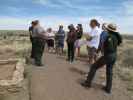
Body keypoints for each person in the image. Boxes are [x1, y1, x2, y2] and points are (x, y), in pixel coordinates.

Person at [81, 23, 122, 94]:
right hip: (114, 56)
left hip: (108, 56)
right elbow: (118, 43)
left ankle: (88, 83)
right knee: (109, 71)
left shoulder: (109, 36)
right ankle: (108, 89)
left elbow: (109, 47)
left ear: (109, 29)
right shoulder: (116, 36)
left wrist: (102, 51)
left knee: (94, 67)